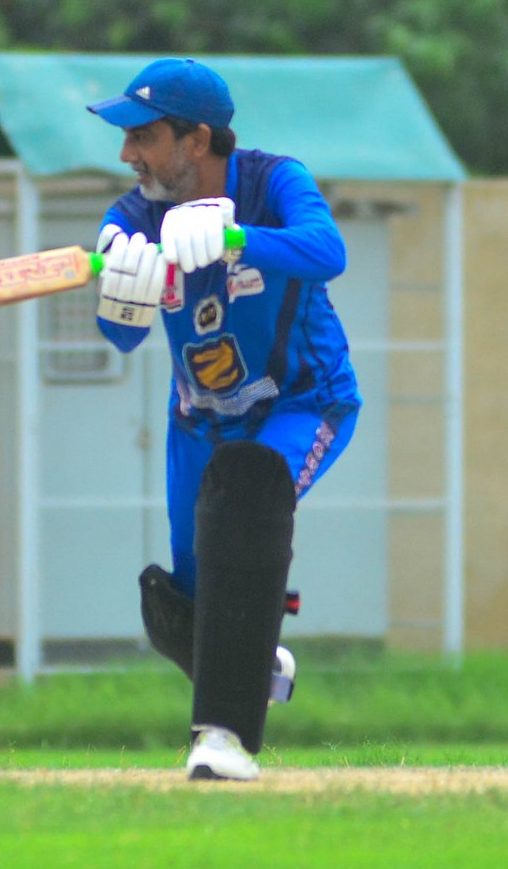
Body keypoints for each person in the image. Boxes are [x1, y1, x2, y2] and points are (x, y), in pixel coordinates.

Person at [87, 57, 360, 782]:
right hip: (199, 424)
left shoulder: (273, 182)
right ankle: (256, 656)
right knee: (183, 607)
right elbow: (120, 338)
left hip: (303, 402)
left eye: (143, 136)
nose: (128, 154)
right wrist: (122, 301)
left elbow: (328, 251)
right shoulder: (132, 217)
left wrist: (235, 237)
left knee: (244, 500)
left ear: (198, 139)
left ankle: (223, 741)